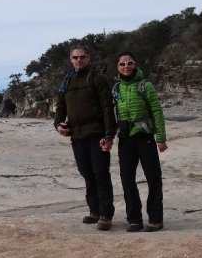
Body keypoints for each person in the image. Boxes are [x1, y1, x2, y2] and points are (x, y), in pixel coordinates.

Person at [53, 45, 117, 230]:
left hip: (97, 134)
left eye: (82, 57)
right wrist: (58, 125)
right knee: (87, 175)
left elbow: (107, 107)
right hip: (77, 137)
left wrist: (109, 134)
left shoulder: (98, 78)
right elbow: (60, 107)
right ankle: (94, 211)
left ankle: (106, 215)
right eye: (75, 57)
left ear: (89, 58)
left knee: (100, 174)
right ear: (70, 59)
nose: (79, 60)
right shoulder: (66, 81)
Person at [112, 51, 167, 232]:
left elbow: (157, 112)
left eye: (130, 62)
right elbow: (112, 116)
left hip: (144, 137)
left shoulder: (146, 86)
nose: (126, 66)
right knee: (127, 180)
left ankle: (155, 219)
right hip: (125, 139)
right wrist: (108, 137)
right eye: (122, 64)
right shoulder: (116, 89)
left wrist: (161, 138)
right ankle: (134, 220)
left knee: (153, 178)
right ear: (117, 67)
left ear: (135, 64)